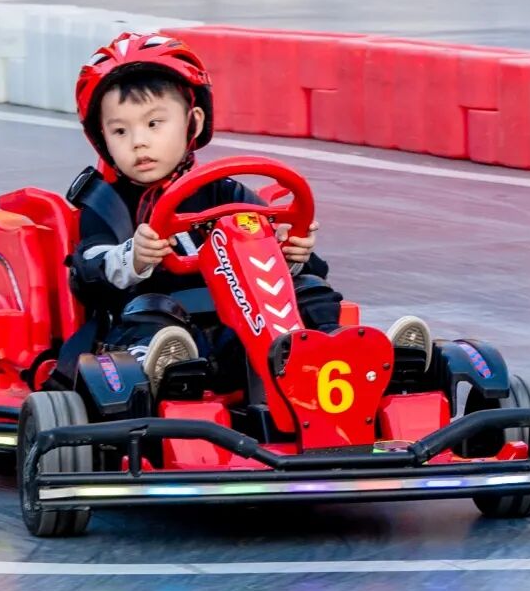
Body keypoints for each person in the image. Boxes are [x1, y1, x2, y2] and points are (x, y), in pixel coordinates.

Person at [66, 32, 431, 394]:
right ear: (102, 138)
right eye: (120, 131)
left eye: (153, 124)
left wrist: (291, 252)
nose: (138, 141)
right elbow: (87, 272)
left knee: (310, 291)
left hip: (241, 334)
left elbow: (278, 264)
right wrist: (133, 257)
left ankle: (352, 353)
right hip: (165, 336)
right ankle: (165, 370)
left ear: (193, 122)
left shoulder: (226, 192)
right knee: (153, 311)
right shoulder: (106, 205)